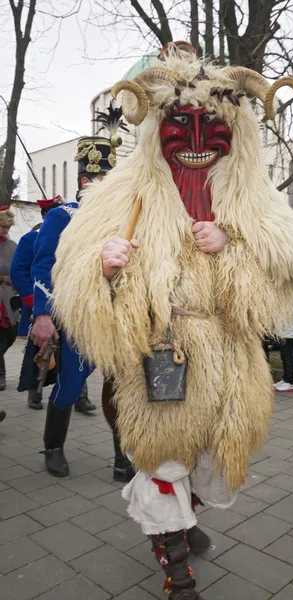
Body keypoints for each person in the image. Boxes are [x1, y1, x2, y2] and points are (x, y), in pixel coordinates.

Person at [51, 42, 293, 599]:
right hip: (162, 350)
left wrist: (234, 242)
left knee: (219, 455)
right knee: (164, 456)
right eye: (182, 125)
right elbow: (73, 282)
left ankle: (182, 515)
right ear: (159, 128)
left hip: (229, 355)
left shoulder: (254, 198)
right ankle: (174, 560)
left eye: (211, 126)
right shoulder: (121, 195)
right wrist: (105, 267)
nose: (198, 142)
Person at [28, 126, 133, 481]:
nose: (103, 183)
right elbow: (42, 265)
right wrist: (42, 313)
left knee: (121, 388)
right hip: (77, 317)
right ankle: (54, 447)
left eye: (108, 177)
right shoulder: (62, 216)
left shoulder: (125, 220)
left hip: (119, 317)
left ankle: (123, 459)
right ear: (85, 179)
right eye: (97, 177)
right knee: (71, 384)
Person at [10, 196, 63, 409]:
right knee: (40, 350)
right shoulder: (30, 239)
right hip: (40, 304)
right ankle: (35, 393)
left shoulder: (69, 238)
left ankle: (80, 396)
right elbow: (18, 271)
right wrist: (34, 301)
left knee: (74, 353)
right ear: (45, 216)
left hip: (65, 304)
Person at [0, 206, 19, 394]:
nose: (6, 230)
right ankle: (1, 374)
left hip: (9, 298)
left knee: (11, 336)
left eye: (7, 227)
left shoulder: (13, 246)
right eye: (2, 227)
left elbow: (18, 270)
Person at [274, 315, 293, 392]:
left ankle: (290, 381)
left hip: (290, 328)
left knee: (288, 356)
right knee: (284, 355)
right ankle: (285, 378)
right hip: (285, 328)